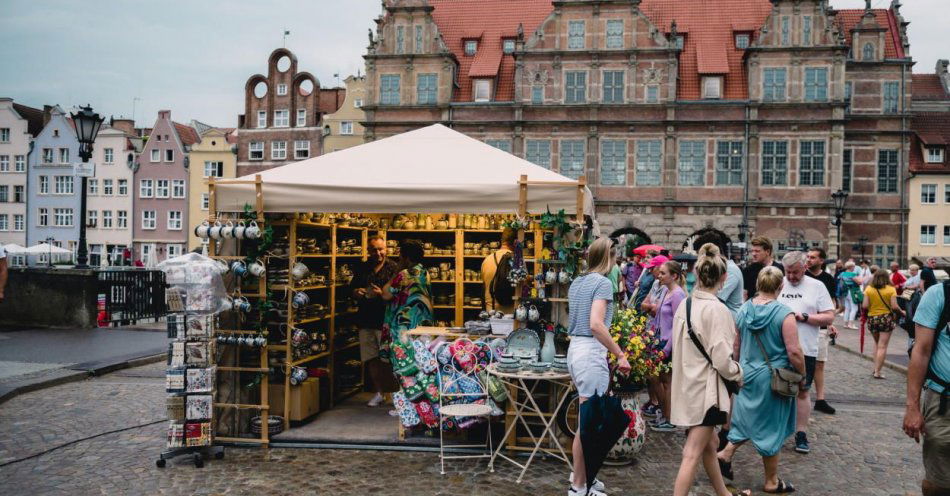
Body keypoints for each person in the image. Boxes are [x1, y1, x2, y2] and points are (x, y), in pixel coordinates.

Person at [717, 266, 804, 494]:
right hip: (773, 377)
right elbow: (794, 351)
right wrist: (802, 374)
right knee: (772, 427)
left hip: (747, 373)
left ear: (757, 285)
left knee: (746, 418)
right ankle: (772, 481)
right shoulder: (784, 314)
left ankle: (726, 453)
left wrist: (737, 371)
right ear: (780, 286)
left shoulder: (744, 310)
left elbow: (736, 346)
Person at [670, 243, 745, 496]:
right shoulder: (718, 310)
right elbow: (723, 360)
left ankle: (723, 494)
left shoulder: (687, 305)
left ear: (698, 274)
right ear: (724, 277)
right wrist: (738, 373)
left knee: (710, 446)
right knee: (691, 454)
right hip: (706, 393)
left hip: (688, 387)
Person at [566, 237, 631, 496]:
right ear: (610, 258)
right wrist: (620, 354)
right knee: (588, 425)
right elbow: (596, 324)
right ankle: (579, 486)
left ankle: (583, 478)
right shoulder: (603, 283)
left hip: (576, 351)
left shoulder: (578, 282)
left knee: (587, 422)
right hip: (591, 353)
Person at [777, 251, 836, 454]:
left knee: (803, 391)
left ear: (804, 268)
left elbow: (829, 316)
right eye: (788, 272)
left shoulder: (817, 286)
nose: (791, 277)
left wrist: (804, 317)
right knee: (776, 391)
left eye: (795, 272)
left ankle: (801, 434)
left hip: (806, 348)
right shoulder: (778, 283)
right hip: (777, 348)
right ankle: (775, 431)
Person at [903, 279, 950, 496]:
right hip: (943, 401)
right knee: (939, 482)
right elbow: (920, 351)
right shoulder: (940, 294)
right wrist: (912, 407)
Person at [349, 236, 399, 407]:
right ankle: (379, 392)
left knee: (389, 359)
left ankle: (394, 394)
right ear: (368, 250)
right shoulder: (363, 268)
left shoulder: (394, 268)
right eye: (374, 249)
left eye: (381, 249)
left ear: (386, 248)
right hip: (366, 319)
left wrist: (382, 294)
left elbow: (399, 294)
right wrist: (357, 292)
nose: (378, 253)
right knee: (372, 358)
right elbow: (352, 289)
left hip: (385, 320)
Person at [379, 239, 434, 366]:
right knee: (419, 362)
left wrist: (396, 271)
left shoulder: (404, 274)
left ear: (406, 257)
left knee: (404, 363)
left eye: (400, 255)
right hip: (422, 324)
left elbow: (386, 294)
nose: (399, 258)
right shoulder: (425, 273)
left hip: (405, 325)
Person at [648, 260, 687, 433]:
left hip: (668, 343)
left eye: (663, 273)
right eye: (660, 272)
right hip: (659, 340)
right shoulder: (665, 290)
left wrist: (667, 348)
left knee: (665, 381)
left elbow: (679, 323)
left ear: (675, 276)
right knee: (655, 378)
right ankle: (665, 414)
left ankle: (669, 418)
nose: (659, 275)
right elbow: (658, 317)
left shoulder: (678, 294)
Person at [806, 248, 839, 415]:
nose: (809, 260)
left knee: (819, 363)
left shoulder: (828, 279)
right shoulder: (802, 277)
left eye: (813, 257)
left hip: (821, 326)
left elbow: (831, 303)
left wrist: (831, 321)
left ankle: (820, 399)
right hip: (804, 325)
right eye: (808, 257)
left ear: (821, 261)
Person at [639, 254, 670, 419]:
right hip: (650, 330)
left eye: (653, 268)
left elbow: (656, 309)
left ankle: (664, 412)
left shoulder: (667, 288)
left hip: (661, 335)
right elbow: (644, 304)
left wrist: (650, 306)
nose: (650, 271)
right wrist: (649, 306)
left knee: (660, 377)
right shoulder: (656, 284)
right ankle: (655, 403)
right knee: (650, 374)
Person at [863, 269, 905, 379]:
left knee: (877, 344)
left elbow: (865, 306)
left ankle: (875, 368)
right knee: (882, 346)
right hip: (886, 318)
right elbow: (895, 307)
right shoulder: (891, 289)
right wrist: (902, 312)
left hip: (872, 319)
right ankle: (878, 372)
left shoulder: (868, 289)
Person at [480, 227, 516, 314]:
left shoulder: (487, 260)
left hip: (492, 312)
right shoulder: (517, 260)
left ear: (501, 241)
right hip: (512, 315)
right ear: (515, 242)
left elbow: (485, 285)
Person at [839, 261, 864, 330]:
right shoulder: (852, 274)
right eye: (854, 266)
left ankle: (845, 323)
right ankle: (851, 324)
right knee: (854, 308)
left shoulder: (842, 274)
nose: (854, 267)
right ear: (851, 267)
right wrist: (862, 278)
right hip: (852, 292)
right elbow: (860, 282)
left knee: (847, 308)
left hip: (845, 292)